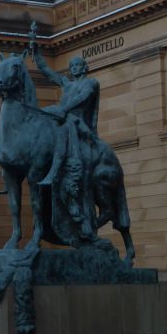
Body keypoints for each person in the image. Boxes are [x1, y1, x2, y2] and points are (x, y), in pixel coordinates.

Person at [29, 22, 99, 238]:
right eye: (72, 65)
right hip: (64, 118)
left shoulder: (90, 83)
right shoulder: (67, 84)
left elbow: (82, 99)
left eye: (77, 64)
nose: (74, 67)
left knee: (59, 123)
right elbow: (47, 71)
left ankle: (52, 172)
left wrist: (62, 109)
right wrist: (36, 51)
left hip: (77, 124)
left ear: (84, 67)